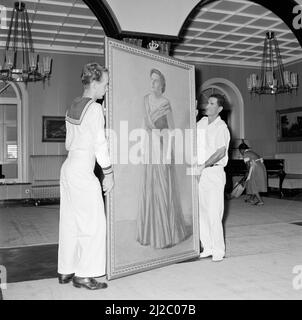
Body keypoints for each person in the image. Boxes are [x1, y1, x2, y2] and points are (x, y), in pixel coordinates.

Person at [57, 62, 114, 290]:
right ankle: (85, 274)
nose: (107, 89)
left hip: (68, 166)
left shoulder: (73, 105)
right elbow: (100, 144)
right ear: (94, 83)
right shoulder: (95, 108)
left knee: (70, 221)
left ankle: (66, 270)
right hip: (82, 170)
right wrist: (108, 173)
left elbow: (72, 140)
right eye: (105, 84)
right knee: (94, 223)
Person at [136, 68, 188, 249]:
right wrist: (143, 147)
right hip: (150, 147)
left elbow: (172, 129)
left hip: (163, 145)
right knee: (151, 187)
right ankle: (150, 233)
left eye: (156, 80)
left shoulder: (165, 102)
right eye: (151, 80)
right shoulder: (145, 100)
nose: (153, 84)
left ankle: (166, 233)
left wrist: (167, 153)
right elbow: (144, 125)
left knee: (163, 188)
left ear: (162, 84)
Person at [196, 93, 230, 262]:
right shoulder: (201, 123)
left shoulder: (221, 127)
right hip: (200, 172)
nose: (207, 106)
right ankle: (207, 247)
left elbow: (220, 152)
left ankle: (218, 249)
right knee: (201, 211)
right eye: (207, 103)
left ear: (219, 108)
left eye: (211, 103)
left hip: (214, 172)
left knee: (214, 212)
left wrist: (203, 165)